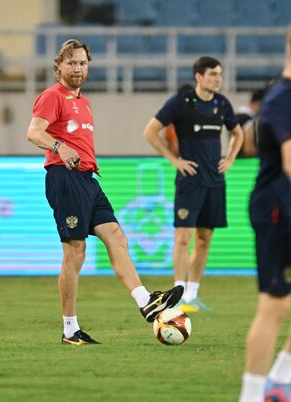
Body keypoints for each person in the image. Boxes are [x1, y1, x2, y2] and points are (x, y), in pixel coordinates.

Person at [26, 39, 183, 345]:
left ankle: (146, 301)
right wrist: (60, 146)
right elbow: (33, 132)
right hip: (64, 177)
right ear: (58, 65)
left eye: (83, 63)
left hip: (87, 179)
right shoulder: (51, 96)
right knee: (75, 252)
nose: (78, 68)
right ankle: (70, 329)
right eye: (71, 63)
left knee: (116, 237)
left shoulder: (83, 103)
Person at [143, 56, 244, 312]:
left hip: (215, 182)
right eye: (213, 74)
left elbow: (238, 132)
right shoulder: (182, 102)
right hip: (189, 182)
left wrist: (230, 158)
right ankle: (177, 294)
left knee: (204, 238)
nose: (218, 79)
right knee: (183, 237)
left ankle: (192, 294)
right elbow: (150, 132)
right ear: (199, 77)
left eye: (220, 74)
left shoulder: (222, 104)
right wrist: (174, 159)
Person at [238, 29, 291, 402]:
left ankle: (281, 379)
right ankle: (252, 394)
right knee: (273, 305)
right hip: (276, 209)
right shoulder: (283, 98)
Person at [236, 88, 266, 157]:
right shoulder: (249, 121)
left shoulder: (236, 116)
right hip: (247, 162)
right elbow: (248, 149)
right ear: (258, 103)